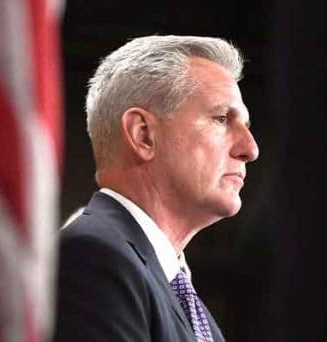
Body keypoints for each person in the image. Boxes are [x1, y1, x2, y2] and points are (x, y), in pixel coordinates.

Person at [54, 35, 259, 342]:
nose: (250, 148)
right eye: (221, 119)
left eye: (246, 126)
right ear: (143, 135)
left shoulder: (192, 310)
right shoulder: (93, 258)